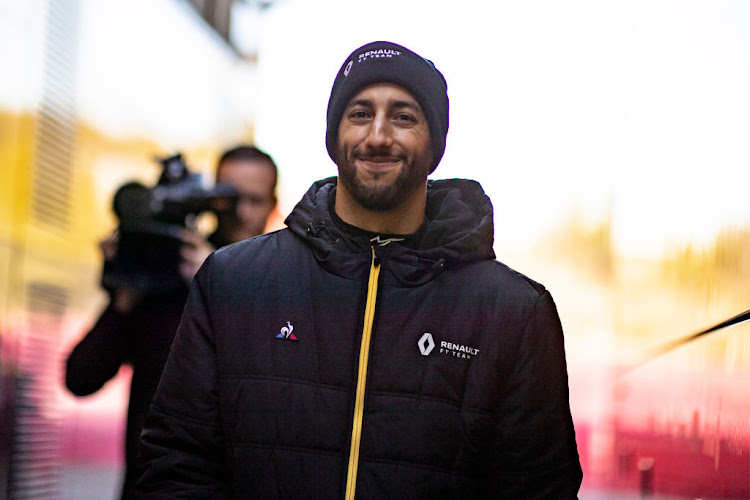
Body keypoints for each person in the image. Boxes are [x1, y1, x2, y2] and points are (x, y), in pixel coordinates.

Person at [135, 41, 583, 498]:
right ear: (334, 136)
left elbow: (540, 488)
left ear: (436, 145)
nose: (378, 136)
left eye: (404, 116)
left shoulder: (514, 311)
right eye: (360, 113)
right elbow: (177, 463)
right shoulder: (233, 281)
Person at [64, 145, 278, 500]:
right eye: (228, 198)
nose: (239, 212)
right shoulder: (170, 270)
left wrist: (219, 286)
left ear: (273, 205)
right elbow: (80, 378)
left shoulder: (283, 282)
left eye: (253, 201)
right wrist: (124, 295)